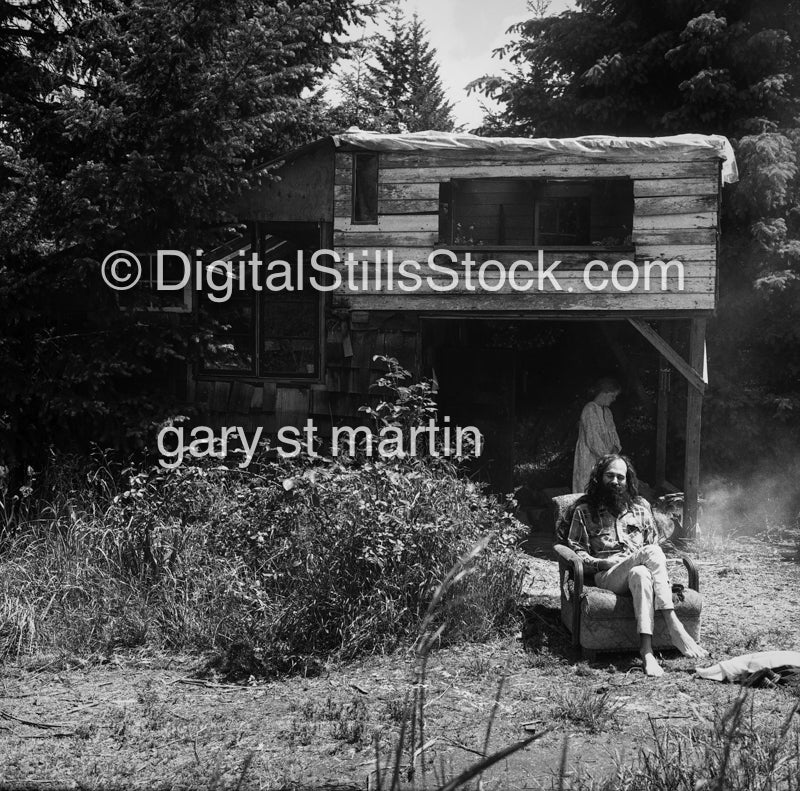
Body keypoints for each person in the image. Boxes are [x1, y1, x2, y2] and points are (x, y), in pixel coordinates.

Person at [563, 454, 707, 677]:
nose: (615, 481)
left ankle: (647, 652)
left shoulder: (641, 508)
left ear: (627, 481)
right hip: (606, 575)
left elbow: (652, 545)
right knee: (651, 552)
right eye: (609, 475)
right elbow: (576, 550)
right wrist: (601, 561)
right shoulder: (584, 510)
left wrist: (655, 573)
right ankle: (673, 624)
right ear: (599, 478)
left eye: (620, 477)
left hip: (638, 571)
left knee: (640, 572)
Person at [572, 377, 622, 493]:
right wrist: (608, 458)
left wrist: (614, 452)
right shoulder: (589, 409)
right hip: (590, 459)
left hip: (607, 460)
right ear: (604, 393)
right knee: (589, 490)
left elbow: (614, 436)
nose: (614, 399)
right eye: (612, 395)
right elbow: (593, 440)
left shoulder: (608, 413)